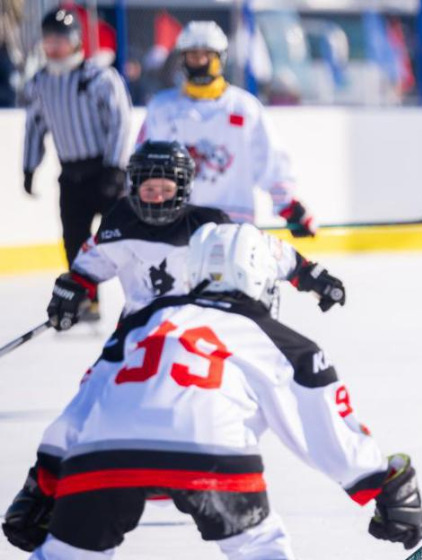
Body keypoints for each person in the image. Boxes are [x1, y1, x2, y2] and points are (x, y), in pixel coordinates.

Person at [0, 222, 422, 560]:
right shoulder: (272, 335)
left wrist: (44, 480)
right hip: (211, 449)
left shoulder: (143, 320)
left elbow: (86, 399)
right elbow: (324, 433)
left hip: (105, 449)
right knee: (257, 545)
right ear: (260, 278)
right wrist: (381, 484)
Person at [44, 141, 345, 333]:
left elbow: (266, 252)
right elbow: (89, 266)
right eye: (149, 191)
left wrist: (311, 277)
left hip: (197, 334)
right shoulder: (120, 223)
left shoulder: (209, 224)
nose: (158, 199)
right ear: (134, 189)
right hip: (135, 332)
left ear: (184, 189)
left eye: (166, 191)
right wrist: (70, 291)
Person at [139, 21, 317, 235]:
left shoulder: (244, 107)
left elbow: (270, 160)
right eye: (192, 56)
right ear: (182, 59)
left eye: (206, 55)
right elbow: (142, 160)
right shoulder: (163, 107)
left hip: (234, 223)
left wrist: (288, 206)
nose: (199, 62)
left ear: (220, 58)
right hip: (179, 223)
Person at [22, 7, 132, 319]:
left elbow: (120, 121)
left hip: (104, 172)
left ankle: (138, 296)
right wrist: (29, 167)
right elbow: (35, 126)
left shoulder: (98, 76)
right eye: (48, 39)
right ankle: (86, 300)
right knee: (74, 240)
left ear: (76, 41)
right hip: (70, 175)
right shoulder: (41, 82)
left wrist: (115, 167)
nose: (54, 46)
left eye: (61, 39)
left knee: (121, 237)